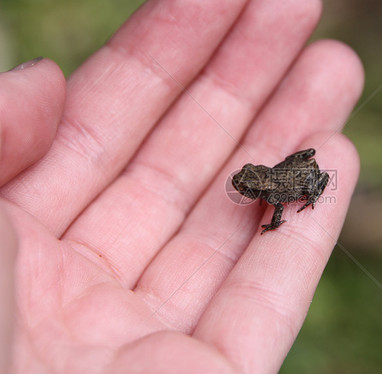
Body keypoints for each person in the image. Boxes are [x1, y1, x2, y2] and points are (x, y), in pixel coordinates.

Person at [0, 0, 363, 372]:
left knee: (309, 182)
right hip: (291, 167)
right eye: (246, 180)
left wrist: (274, 221)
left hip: (301, 177)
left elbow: (280, 212)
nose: (242, 184)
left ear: (259, 190)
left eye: (247, 185)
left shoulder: (273, 194)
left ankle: (314, 190)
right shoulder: (266, 184)